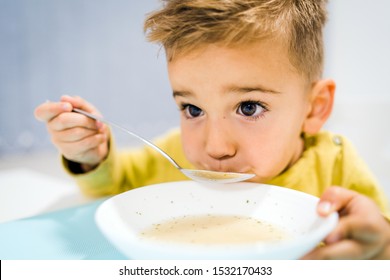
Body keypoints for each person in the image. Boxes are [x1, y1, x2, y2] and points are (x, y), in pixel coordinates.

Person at [34, 0, 390, 259]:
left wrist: (379, 247)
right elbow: (116, 187)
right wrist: (90, 156)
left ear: (315, 108)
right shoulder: (172, 153)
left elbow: (375, 234)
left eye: (249, 108)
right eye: (193, 109)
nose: (215, 147)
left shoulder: (336, 164)